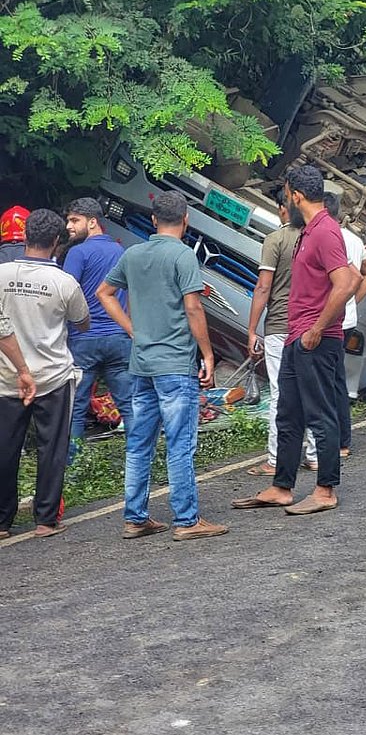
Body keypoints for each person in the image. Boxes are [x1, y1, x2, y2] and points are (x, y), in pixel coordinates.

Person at [97, 191, 228, 541]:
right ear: (186, 220)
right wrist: (208, 354)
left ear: (154, 220)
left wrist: (131, 329)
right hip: (175, 364)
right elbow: (193, 308)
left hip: (141, 364)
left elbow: (104, 293)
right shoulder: (183, 255)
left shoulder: (133, 254)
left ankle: (135, 518)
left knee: (139, 443)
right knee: (180, 443)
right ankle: (186, 520)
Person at [233, 166, 360, 517]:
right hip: (295, 335)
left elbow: (346, 282)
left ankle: (325, 490)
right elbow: (348, 277)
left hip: (315, 338)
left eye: (287, 194)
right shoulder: (307, 230)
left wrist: (318, 328)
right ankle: (281, 486)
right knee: (288, 413)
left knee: (320, 414)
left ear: (296, 196)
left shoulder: (325, 231)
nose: (286, 200)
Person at [0, 209, 89, 539]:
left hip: (6, 378)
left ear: (24, 237)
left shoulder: (1, 274)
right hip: (53, 376)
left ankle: (2, 521)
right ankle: (45, 519)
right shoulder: (64, 282)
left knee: (5, 448)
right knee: (52, 448)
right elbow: (82, 321)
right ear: (56, 242)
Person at [245, 190, 317, 476]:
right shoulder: (316, 236)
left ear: (282, 210)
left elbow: (263, 287)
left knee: (280, 393)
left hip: (279, 326)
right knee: (310, 390)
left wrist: (252, 329)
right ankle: (314, 455)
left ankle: (276, 459)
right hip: (311, 326)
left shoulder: (276, 240)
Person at [62, 197, 133, 454]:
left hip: (84, 339)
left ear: (93, 222)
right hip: (118, 338)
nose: (68, 226)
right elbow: (129, 293)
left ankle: (73, 466)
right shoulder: (120, 251)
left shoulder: (78, 253)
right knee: (129, 404)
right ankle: (139, 459)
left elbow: (66, 293)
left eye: (74, 220)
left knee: (76, 407)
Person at [323, 192, 366, 455]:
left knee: (327, 380)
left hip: (327, 319)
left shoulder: (326, 237)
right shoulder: (353, 239)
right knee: (337, 378)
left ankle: (332, 440)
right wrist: (354, 301)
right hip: (347, 319)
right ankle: (342, 439)